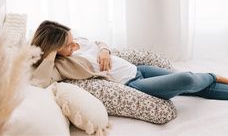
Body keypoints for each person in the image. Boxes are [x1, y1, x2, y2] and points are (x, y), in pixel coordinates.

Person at [31, 20, 228, 100]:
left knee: (194, 87)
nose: (76, 46)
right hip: (135, 83)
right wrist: (49, 54)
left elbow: (99, 42)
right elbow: (40, 81)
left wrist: (105, 51)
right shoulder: (62, 65)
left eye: (73, 39)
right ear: (54, 50)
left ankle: (210, 80)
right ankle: (213, 75)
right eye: (68, 45)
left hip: (138, 69)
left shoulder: (77, 41)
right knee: (186, 80)